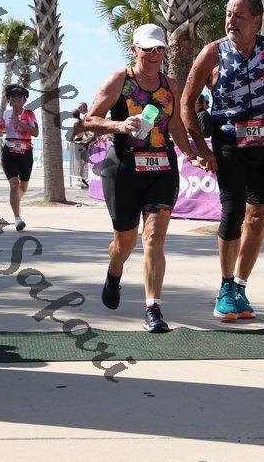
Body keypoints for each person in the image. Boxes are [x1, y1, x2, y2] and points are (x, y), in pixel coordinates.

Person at [181, 0, 264, 321]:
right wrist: (200, 147)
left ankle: (241, 287)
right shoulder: (213, 52)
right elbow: (186, 103)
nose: (231, 21)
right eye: (228, 15)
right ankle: (225, 286)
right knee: (233, 211)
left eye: (239, 15)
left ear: (257, 20)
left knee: (258, 216)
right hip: (228, 141)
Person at [84, 23, 202, 333]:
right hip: (124, 169)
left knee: (153, 239)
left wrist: (191, 154)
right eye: (147, 48)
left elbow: (174, 125)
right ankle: (114, 270)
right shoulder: (119, 81)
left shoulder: (170, 85)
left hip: (162, 168)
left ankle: (153, 308)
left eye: (159, 49)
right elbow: (90, 120)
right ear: (134, 49)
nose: (153, 54)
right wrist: (120, 126)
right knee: (125, 243)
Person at [0, 84, 39, 230]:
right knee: (14, 184)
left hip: (25, 153)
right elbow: (1, 131)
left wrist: (20, 123)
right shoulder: (6, 113)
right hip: (9, 152)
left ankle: (15, 201)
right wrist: (0, 128)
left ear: (24, 100)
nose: (16, 100)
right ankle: (17, 218)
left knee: (23, 188)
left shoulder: (29, 114)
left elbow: (36, 133)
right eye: (13, 98)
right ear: (9, 100)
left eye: (19, 98)